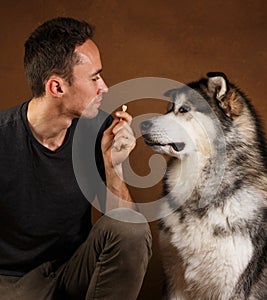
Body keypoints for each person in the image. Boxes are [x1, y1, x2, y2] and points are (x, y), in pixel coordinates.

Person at [0, 17, 152, 300]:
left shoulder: (98, 130)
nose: (104, 88)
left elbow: (124, 228)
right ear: (57, 88)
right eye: (95, 78)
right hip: (10, 284)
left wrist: (113, 164)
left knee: (131, 227)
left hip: (72, 271)